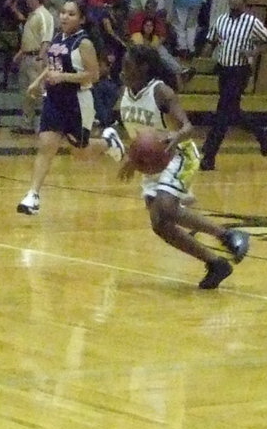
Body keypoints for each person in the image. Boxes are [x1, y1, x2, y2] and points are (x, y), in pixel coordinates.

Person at [103, 44, 251, 289]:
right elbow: (138, 135)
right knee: (160, 225)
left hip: (179, 154)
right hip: (154, 162)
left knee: (166, 207)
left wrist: (175, 136)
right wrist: (132, 159)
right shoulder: (125, 92)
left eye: (128, 65)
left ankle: (228, 235)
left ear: (143, 67)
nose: (122, 69)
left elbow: (187, 127)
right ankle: (215, 263)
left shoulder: (161, 91)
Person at [17, 0, 112, 215]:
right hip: (54, 99)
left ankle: (108, 143)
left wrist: (63, 77)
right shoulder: (58, 38)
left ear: (81, 19)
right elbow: (52, 66)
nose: (64, 17)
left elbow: (94, 75)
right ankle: (33, 195)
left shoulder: (84, 43)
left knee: (80, 152)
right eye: (62, 12)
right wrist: (38, 81)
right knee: (46, 145)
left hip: (77, 101)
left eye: (71, 14)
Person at [198, 0, 267, 171]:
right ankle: (261, 132)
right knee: (230, 110)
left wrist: (254, 52)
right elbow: (210, 42)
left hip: (240, 70)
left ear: (244, 2)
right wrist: (197, 65)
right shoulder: (221, 20)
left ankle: (209, 155)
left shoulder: (252, 22)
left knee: (223, 112)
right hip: (223, 69)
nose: (233, 0)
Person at [13, 0, 53, 134]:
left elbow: (46, 38)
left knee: (40, 92)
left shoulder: (44, 15)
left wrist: (40, 57)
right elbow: (30, 38)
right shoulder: (32, 15)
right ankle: (26, 124)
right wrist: (20, 54)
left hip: (36, 57)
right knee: (26, 93)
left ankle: (47, 124)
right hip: (27, 56)